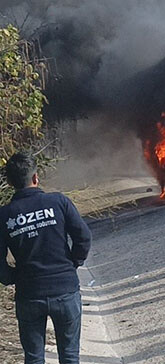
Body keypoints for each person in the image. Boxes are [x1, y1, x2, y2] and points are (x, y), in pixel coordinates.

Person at [1, 153, 92, 364]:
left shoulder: (4, 216)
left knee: (33, 358)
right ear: (35, 177)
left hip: (29, 294)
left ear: (10, 182)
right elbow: (83, 237)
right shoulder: (58, 202)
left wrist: (12, 277)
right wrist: (72, 263)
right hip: (65, 290)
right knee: (69, 356)